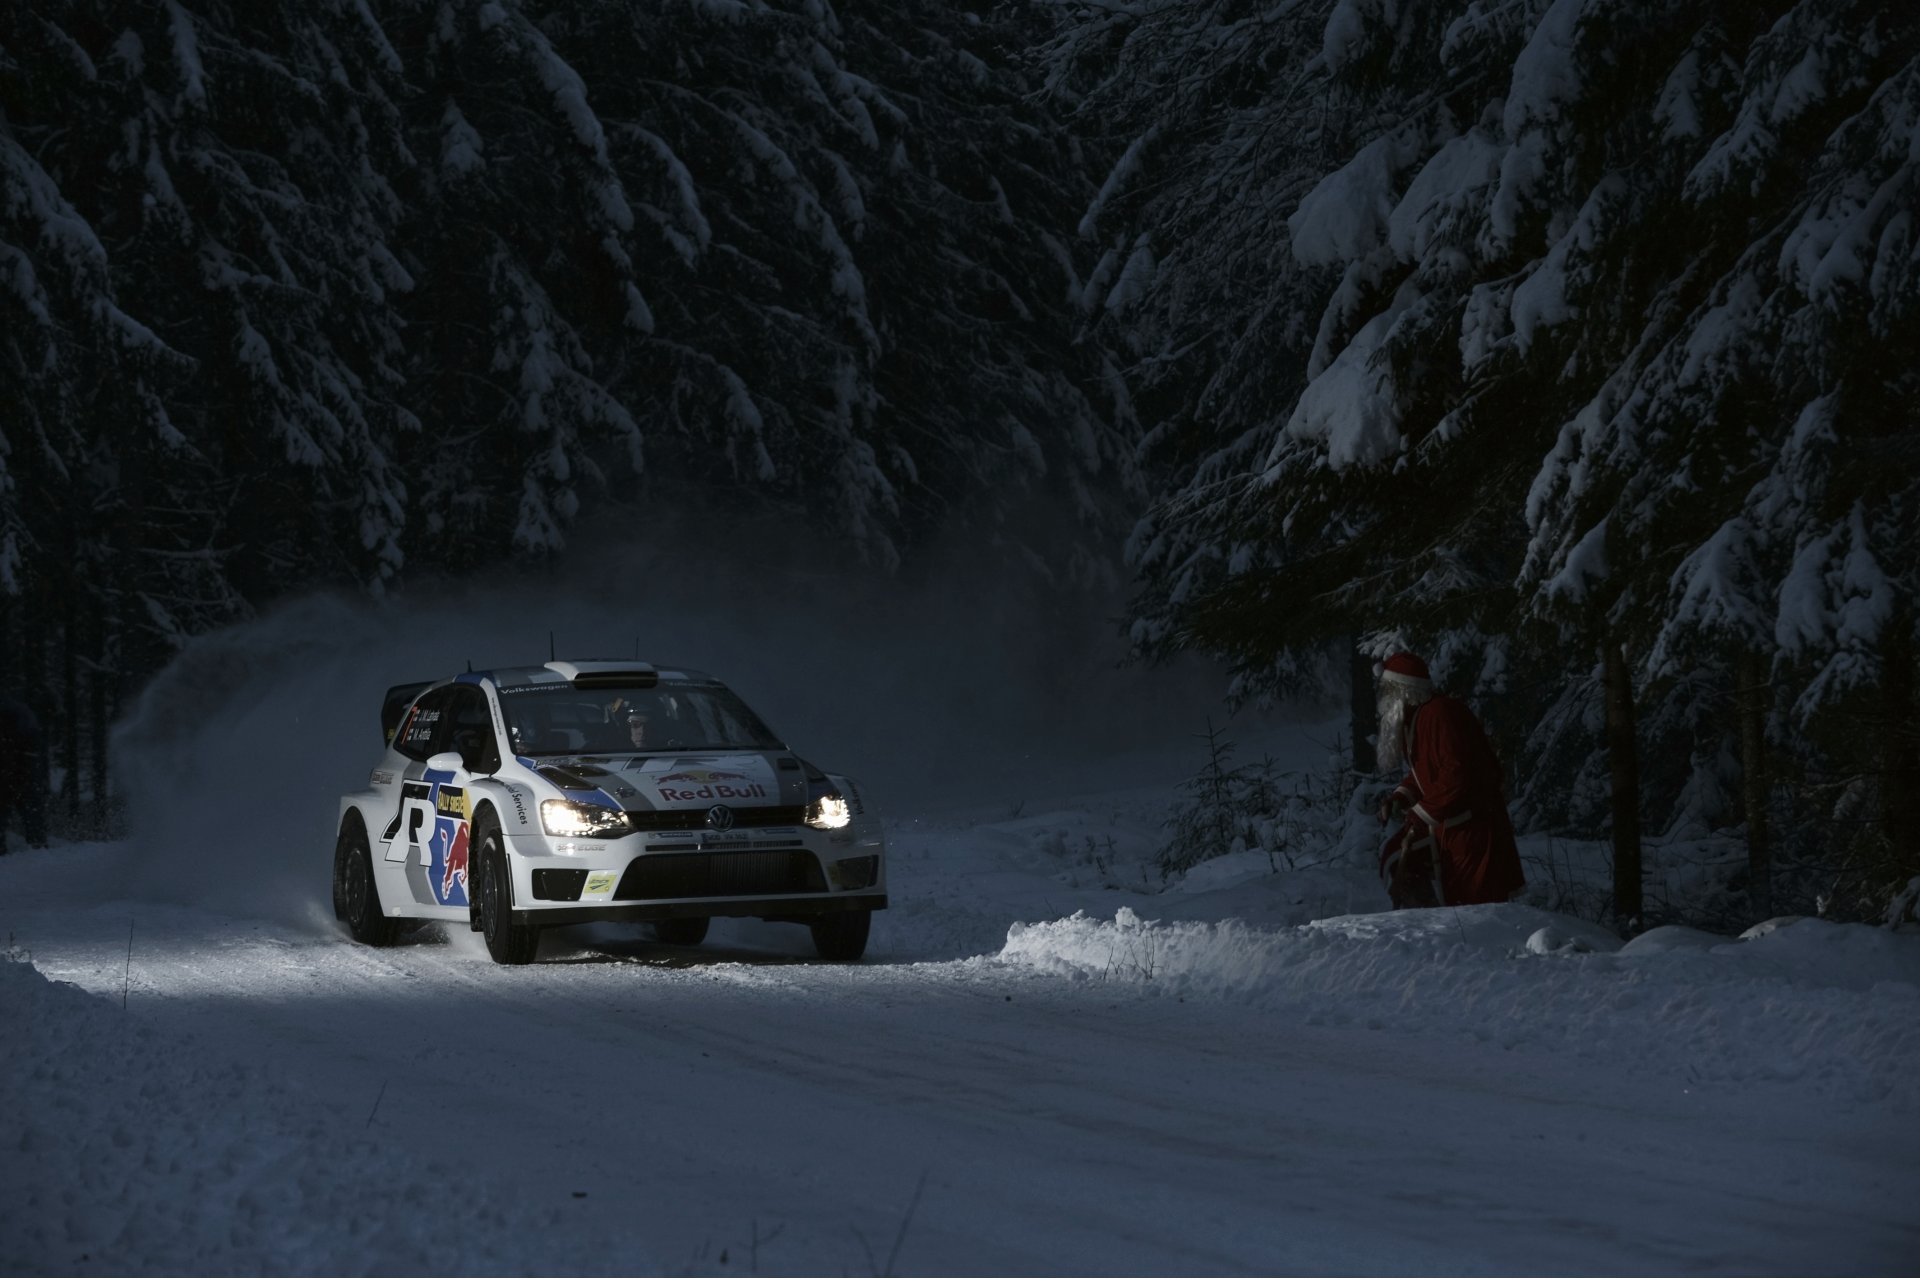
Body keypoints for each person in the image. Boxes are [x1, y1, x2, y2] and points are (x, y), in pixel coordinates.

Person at [1373, 652, 1525, 908]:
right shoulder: (1418, 718)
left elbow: (1457, 775)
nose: (1384, 698)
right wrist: (1401, 796)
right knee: (1396, 856)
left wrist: (1421, 814)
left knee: (1475, 903)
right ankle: (1422, 926)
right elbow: (1428, 773)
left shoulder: (1440, 714)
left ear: (1405, 690)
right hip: (1449, 824)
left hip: (1470, 827)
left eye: (1389, 690)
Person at [0, 695, 47, 855]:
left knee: (31, 813)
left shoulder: (17, 712)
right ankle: (39, 850)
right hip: (21, 770)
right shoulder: (20, 711)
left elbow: (32, 743)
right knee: (32, 814)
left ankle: (39, 852)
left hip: (20, 771)